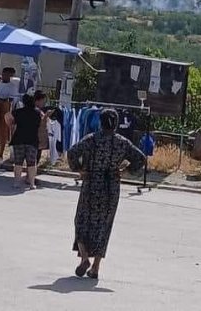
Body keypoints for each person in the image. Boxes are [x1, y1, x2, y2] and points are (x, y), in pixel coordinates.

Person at [67, 108, 146, 280]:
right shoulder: (122, 142)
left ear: (100, 122)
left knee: (81, 221)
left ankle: (84, 258)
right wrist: (124, 171)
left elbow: (72, 153)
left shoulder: (91, 139)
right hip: (111, 187)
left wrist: (79, 169)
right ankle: (95, 267)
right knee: (104, 226)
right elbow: (140, 159)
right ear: (116, 123)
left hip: (91, 184)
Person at [10, 90, 46, 189]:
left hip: (18, 139)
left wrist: (11, 125)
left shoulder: (18, 112)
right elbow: (43, 122)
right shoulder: (38, 113)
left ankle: (16, 182)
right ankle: (31, 183)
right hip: (32, 140)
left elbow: (8, 117)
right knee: (31, 163)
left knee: (18, 162)